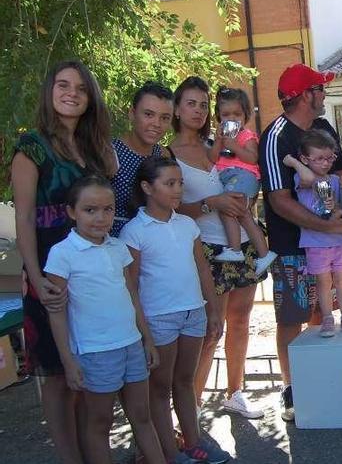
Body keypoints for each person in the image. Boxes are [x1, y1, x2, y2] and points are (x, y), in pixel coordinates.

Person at [12, 60, 117, 464]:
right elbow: (23, 216)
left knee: (82, 372)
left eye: (80, 88)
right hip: (51, 275)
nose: (71, 92)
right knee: (56, 375)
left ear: (90, 98)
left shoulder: (92, 150)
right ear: (49, 91)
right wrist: (36, 277)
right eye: (62, 84)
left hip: (90, 274)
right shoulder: (31, 146)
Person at [258, 63, 342, 421]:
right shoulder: (275, 136)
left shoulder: (324, 127)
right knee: (291, 318)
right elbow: (278, 198)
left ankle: (323, 383)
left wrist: (334, 216)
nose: (325, 92)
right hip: (290, 247)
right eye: (320, 87)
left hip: (329, 242)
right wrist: (325, 224)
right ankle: (291, 389)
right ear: (304, 95)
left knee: (325, 314)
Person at [44, 176, 164, 464]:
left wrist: (146, 338)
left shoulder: (117, 248)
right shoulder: (62, 255)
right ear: (72, 212)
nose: (100, 217)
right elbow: (57, 313)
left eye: (107, 209)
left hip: (132, 345)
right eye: (90, 210)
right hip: (95, 352)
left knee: (142, 416)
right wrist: (69, 362)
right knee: (99, 423)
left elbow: (131, 295)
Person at [166, 76, 266, 420]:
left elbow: (248, 170)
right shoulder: (168, 155)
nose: (197, 110)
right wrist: (213, 203)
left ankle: (235, 392)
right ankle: (190, 409)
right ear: (177, 109)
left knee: (241, 320)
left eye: (202, 104)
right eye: (190, 103)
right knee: (211, 329)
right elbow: (170, 209)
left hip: (239, 243)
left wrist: (244, 201)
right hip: (205, 249)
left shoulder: (220, 143)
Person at [120, 157, 229, 463]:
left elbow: (203, 269)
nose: (178, 189)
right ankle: (169, 451)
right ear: (147, 187)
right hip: (159, 318)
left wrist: (213, 311)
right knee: (160, 386)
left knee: (184, 380)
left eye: (180, 182)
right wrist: (143, 332)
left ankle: (193, 441)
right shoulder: (134, 231)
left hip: (193, 312)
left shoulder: (187, 225)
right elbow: (132, 284)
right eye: (170, 183)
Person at [282, 130, 342, 337]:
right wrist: (292, 162)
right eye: (319, 159)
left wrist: (336, 206)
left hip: (338, 240)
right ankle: (327, 318)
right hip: (316, 242)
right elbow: (309, 176)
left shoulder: (334, 179)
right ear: (305, 159)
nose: (325, 163)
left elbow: (341, 207)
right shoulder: (302, 178)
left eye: (329, 158)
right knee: (323, 282)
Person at [209, 87, 277, 274]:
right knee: (244, 216)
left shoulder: (246, 136)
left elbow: (252, 158)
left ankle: (235, 249)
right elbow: (213, 158)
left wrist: (234, 146)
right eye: (226, 114)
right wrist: (218, 142)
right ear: (218, 117)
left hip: (244, 176)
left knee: (227, 210)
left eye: (237, 114)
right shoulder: (222, 137)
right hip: (230, 177)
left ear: (245, 115)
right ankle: (264, 254)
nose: (231, 118)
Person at [110, 81, 173, 237]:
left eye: (164, 118)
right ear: (132, 113)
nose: (156, 124)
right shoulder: (110, 152)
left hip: (156, 242)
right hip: (118, 243)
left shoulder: (164, 155)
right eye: (148, 114)